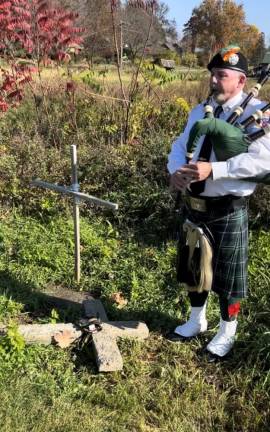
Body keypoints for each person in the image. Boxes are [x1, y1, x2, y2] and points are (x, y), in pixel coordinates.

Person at [166, 46, 270, 360]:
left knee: (228, 278)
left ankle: (227, 332)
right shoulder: (200, 110)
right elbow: (180, 144)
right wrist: (175, 172)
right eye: (213, 74)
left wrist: (216, 169)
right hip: (194, 204)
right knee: (193, 267)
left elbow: (263, 163)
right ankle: (197, 320)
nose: (214, 80)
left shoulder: (260, 116)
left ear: (240, 81)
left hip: (228, 208)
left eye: (222, 75)